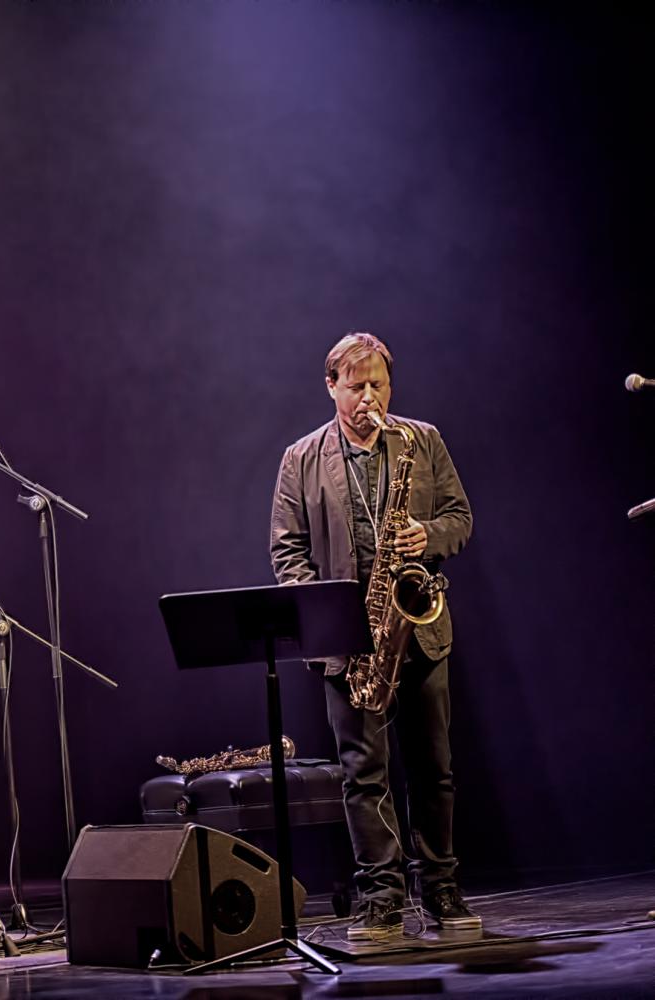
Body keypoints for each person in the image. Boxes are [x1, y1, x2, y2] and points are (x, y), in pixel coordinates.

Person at [270, 331, 477, 941]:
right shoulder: (300, 458)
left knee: (434, 768)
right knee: (363, 773)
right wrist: (330, 616)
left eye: (378, 384)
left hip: (419, 626)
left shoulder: (423, 440)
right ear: (330, 386)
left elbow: (460, 518)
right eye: (355, 386)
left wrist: (426, 536)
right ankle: (381, 894)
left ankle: (440, 887)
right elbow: (287, 553)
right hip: (348, 639)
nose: (369, 397)